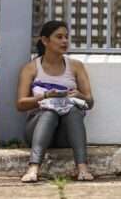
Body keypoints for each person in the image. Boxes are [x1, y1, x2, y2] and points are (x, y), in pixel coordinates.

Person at [16, 20, 95, 182]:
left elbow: (90, 102)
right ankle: (33, 168)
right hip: (37, 130)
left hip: (65, 134)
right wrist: (45, 97)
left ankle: (83, 169)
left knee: (73, 112)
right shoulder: (31, 68)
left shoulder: (76, 66)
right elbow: (20, 104)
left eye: (66, 37)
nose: (65, 41)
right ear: (45, 41)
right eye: (59, 37)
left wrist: (78, 96)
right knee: (49, 112)